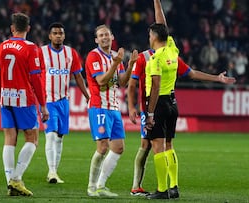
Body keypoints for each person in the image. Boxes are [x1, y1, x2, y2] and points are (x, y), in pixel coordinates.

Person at [128, 0, 236, 198]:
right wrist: (217, 78)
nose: (149, 36)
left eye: (150, 34)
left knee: (157, 147)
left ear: (153, 37)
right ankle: (174, 187)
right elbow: (192, 72)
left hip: (158, 104)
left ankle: (162, 190)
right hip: (173, 103)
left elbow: (156, 88)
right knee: (169, 145)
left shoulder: (155, 60)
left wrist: (149, 114)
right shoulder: (172, 50)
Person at [0, 12, 49, 197]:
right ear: (29, 28)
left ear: (12, 28)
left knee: (9, 138)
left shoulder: (2, 47)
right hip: (23, 98)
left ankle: (9, 179)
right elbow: (36, 78)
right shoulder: (32, 48)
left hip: (5, 97)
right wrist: (42, 105)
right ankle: (15, 179)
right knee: (32, 139)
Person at [85, 24, 138, 197]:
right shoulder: (93, 56)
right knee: (102, 147)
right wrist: (115, 65)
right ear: (96, 40)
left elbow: (122, 82)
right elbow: (101, 80)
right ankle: (92, 187)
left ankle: (101, 185)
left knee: (118, 147)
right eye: (101, 35)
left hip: (114, 108)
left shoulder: (116, 56)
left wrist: (130, 66)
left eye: (107, 34)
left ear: (112, 36)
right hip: (99, 106)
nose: (104, 37)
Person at [39, 22, 90, 184]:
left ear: (64, 35)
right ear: (50, 36)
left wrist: (87, 96)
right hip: (48, 101)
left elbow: (78, 76)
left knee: (60, 138)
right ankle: (52, 171)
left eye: (60, 33)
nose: (58, 36)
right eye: (55, 33)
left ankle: (54, 171)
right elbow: (33, 74)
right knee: (51, 135)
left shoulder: (71, 53)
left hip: (64, 101)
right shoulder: (42, 53)